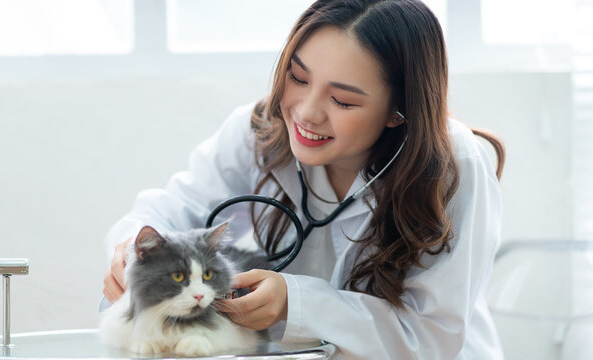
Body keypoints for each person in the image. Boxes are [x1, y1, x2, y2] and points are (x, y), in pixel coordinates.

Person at [102, 0, 505, 358]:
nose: (307, 112)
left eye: (342, 100)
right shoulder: (259, 130)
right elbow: (169, 211)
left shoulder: (454, 167)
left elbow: (430, 338)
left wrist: (296, 304)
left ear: (397, 111)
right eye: (298, 77)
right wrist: (130, 255)